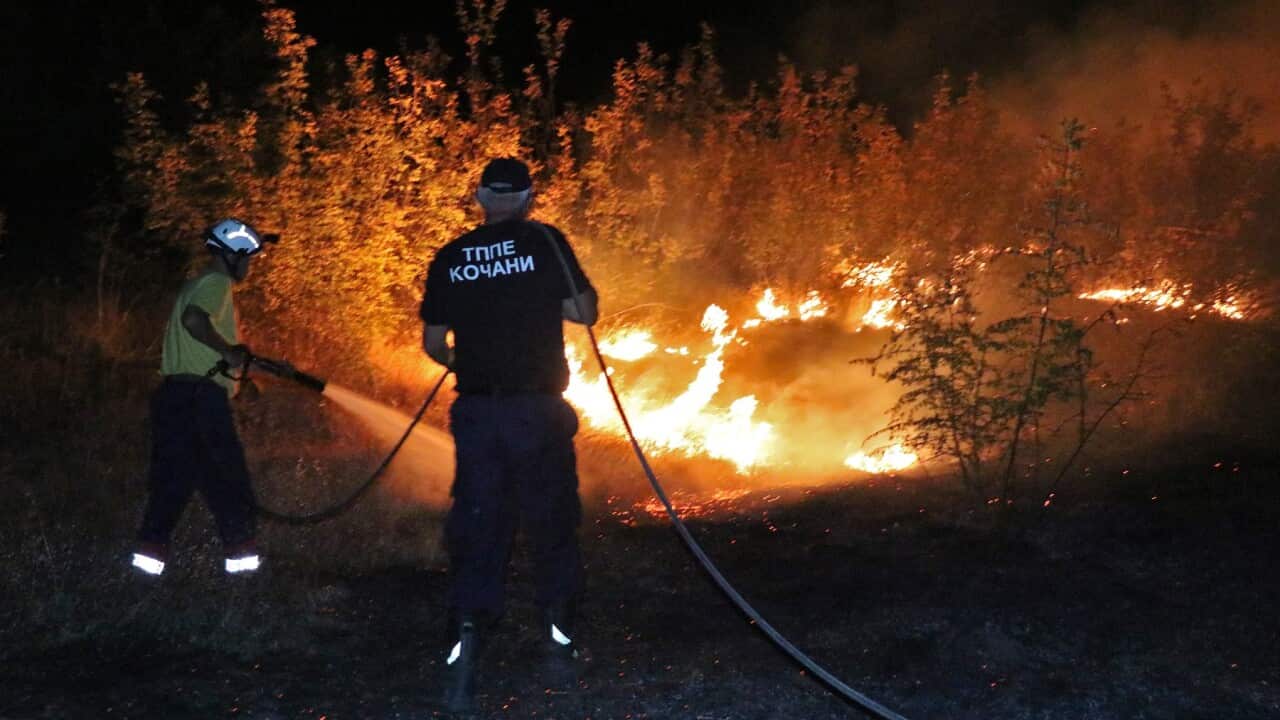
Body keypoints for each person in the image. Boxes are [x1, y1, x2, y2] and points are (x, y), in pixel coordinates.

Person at [420, 158, 598, 712]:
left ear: (479, 196)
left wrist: (463, 361)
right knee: (551, 521)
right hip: (537, 410)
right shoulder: (546, 241)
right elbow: (585, 311)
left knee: (478, 524)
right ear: (527, 197)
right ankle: (559, 646)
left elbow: (431, 342)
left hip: (477, 413)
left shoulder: (450, 256)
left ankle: (464, 653)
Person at [132, 218, 277, 577]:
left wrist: (244, 377)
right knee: (230, 482)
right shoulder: (217, 283)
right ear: (232, 256)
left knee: (173, 482)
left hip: (176, 398)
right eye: (248, 258)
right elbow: (195, 322)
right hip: (201, 399)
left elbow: (202, 348)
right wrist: (228, 353)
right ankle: (244, 574)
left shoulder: (196, 284)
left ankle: (145, 569)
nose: (249, 266)